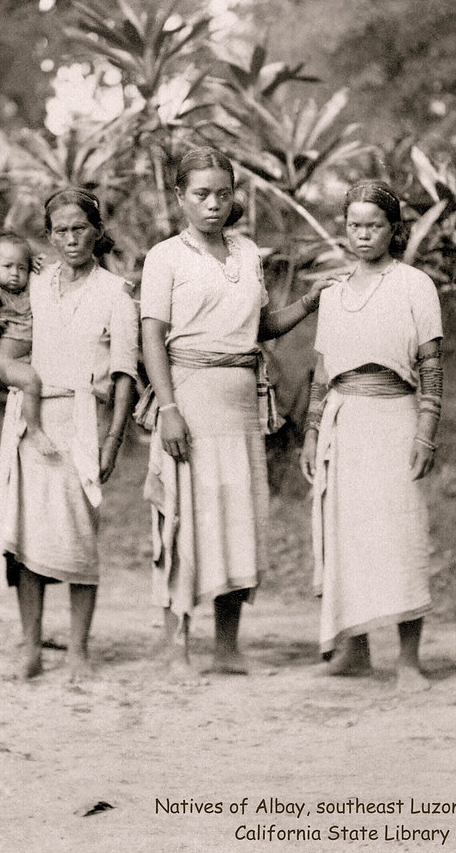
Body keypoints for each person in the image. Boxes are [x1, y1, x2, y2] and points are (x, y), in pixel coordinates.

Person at [140, 146, 330, 675]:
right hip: (189, 399)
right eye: (200, 194)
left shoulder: (247, 253)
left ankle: (227, 647)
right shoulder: (166, 257)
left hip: (242, 403)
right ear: (180, 197)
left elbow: (261, 327)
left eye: (223, 194)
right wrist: (170, 409)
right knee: (183, 518)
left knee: (237, 519)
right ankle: (176, 645)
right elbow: (151, 336)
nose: (213, 204)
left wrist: (310, 302)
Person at [0, 188, 138, 681]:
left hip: (83, 422)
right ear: (49, 235)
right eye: (60, 231)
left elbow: (127, 374)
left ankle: (79, 651)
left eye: (80, 229)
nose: (71, 239)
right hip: (30, 420)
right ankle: (30, 648)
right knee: (28, 535)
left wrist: (112, 441)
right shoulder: (36, 283)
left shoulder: (115, 292)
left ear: (97, 231)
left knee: (79, 536)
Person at [300, 180, 443, 691]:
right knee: (346, 536)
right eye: (355, 225)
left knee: (401, 533)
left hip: (396, 417)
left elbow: (430, 363)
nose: (363, 235)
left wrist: (425, 433)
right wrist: (313, 432)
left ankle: (408, 660)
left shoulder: (414, 285)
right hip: (345, 421)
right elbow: (322, 371)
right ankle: (354, 650)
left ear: (393, 229)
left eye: (374, 225)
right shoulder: (334, 292)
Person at [0, 231, 56, 457]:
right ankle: (34, 429)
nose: (15, 274)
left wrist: (33, 261)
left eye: (21, 268)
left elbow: (47, 267)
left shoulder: (27, 289)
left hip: (30, 357)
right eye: (7, 266)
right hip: (10, 363)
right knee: (30, 381)